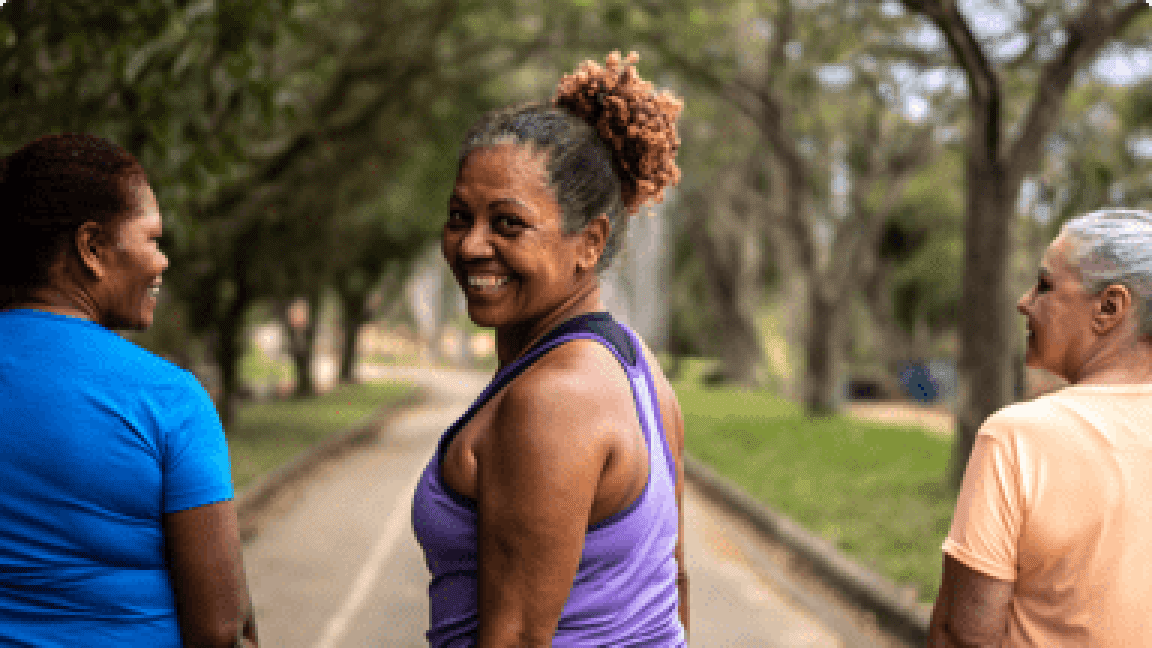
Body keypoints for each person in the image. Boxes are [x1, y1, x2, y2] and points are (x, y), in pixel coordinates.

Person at [410, 51, 688, 647]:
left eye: (508, 224)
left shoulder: (553, 400)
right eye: (460, 217)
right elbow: (674, 588)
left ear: (589, 242)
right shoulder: (633, 363)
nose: (472, 246)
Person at [0, 134, 258, 648]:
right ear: (92, 248)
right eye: (151, 239)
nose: (161, 262)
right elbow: (223, 633)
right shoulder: (168, 401)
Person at [927, 209, 1152, 646]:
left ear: (1109, 307)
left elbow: (962, 635)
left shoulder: (1018, 437)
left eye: (1045, 285)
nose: (1024, 302)